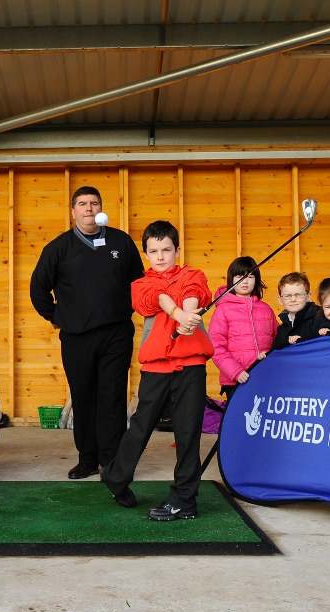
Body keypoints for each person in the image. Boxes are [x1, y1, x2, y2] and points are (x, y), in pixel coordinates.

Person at [30, 186, 145, 479]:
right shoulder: (58, 248)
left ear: (101, 207)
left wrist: (127, 310)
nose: (89, 208)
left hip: (117, 334)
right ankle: (87, 459)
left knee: (113, 397)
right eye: (82, 204)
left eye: (94, 203)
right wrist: (57, 317)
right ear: (73, 212)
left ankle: (111, 459)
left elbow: (139, 284)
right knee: (83, 397)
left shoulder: (121, 241)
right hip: (76, 336)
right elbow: (38, 287)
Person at [101, 221, 212, 520]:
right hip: (156, 367)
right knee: (140, 426)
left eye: (166, 250)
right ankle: (116, 477)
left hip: (191, 365)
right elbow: (156, 299)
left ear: (177, 250)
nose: (160, 256)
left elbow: (194, 291)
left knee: (188, 433)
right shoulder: (141, 283)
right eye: (153, 251)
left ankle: (185, 500)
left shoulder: (193, 274)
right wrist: (178, 314)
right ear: (146, 254)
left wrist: (189, 313)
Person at [209, 256, 278, 395]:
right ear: (231, 279)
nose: (245, 281)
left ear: (256, 279)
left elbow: (277, 340)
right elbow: (215, 347)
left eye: (250, 276)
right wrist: (236, 372)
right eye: (239, 276)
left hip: (264, 378)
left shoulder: (266, 309)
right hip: (236, 381)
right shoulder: (223, 310)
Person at [272, 272, 319, 349]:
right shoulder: (281, 330)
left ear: (308, 297)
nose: (293, 300)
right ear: (280, 300)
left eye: (298, 295)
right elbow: (277, 353)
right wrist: (266, 355)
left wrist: (302, 342)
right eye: (288, 296)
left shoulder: (319, 319)